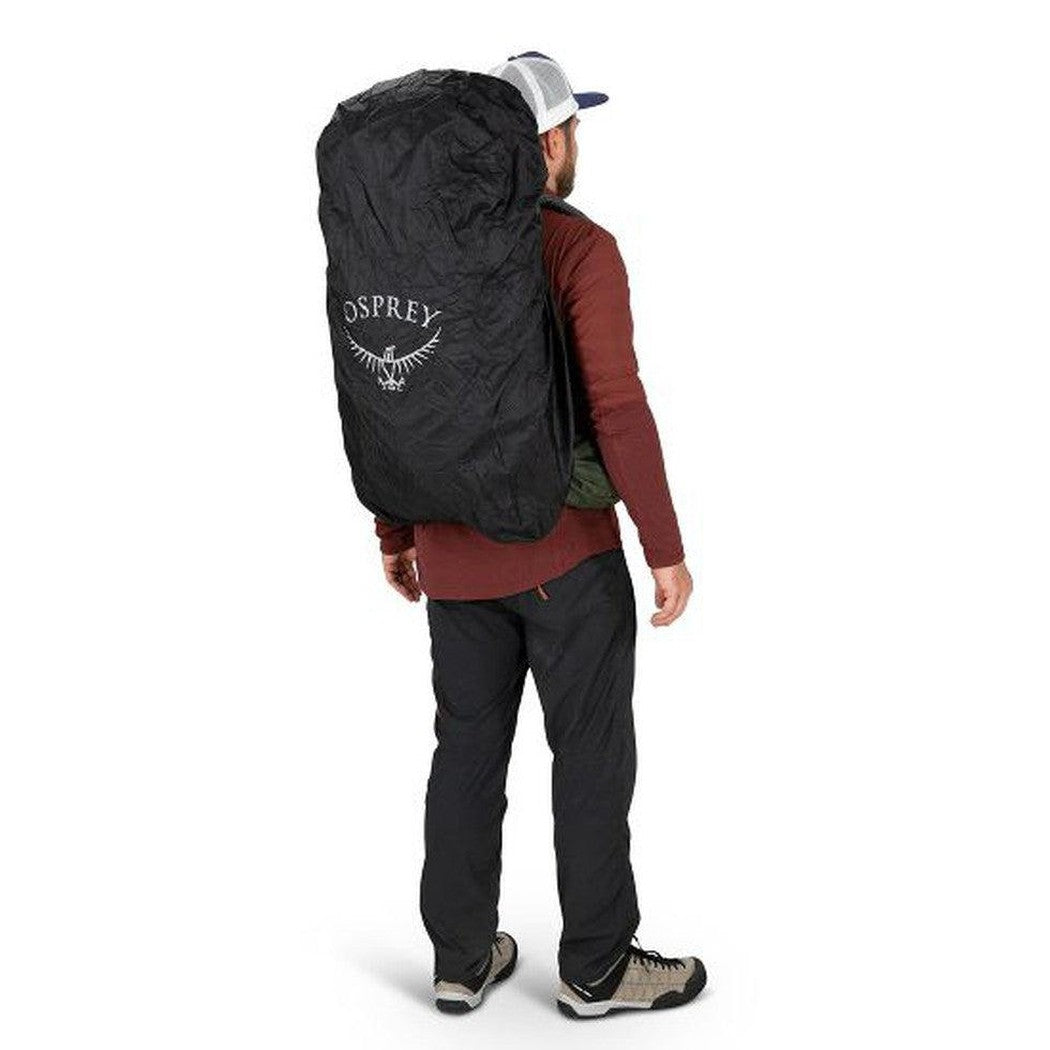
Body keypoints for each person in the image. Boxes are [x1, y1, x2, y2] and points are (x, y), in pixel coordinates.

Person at [374, 52, 707, 1019]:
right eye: (573, 129)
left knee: (466, 752)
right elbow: (617, 406)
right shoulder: (578, 248)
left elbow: (391, 401)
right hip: (566, 554)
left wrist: (397, 529)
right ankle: (597, 967)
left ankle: (459, 958)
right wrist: (663, 544)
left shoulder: (420, 249)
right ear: (551, 141)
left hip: (450, 555)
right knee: (591, 757)